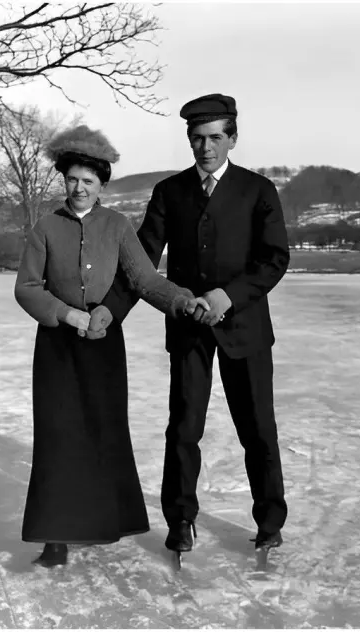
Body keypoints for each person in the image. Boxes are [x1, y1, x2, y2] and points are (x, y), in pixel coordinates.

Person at [99, 93, 291, 555]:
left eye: (214, 138)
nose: (205, 148)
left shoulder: (258, 191)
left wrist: (229, 296)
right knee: (183, 429)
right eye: (197, 139)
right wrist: (110, 310)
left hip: (244, 329)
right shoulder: (170, 192)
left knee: (258, 429)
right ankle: (180, 519)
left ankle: (270, 521)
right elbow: (140, 261)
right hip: (187, 328)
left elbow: (274, 260)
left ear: (232, 139)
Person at [13, 125, 208, 567]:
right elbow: (26, 287)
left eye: (88, 180)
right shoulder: (45, 227)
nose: (79, 188)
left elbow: (145, 280)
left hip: (104, 348)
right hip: (57, 348)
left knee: (103, 432)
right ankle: (55, 538)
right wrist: (66, 314)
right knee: (58, 437)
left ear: (102, 184)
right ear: (63, 180)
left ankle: (105, 523)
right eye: (72, 179)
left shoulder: (117, 225)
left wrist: (180, 300)